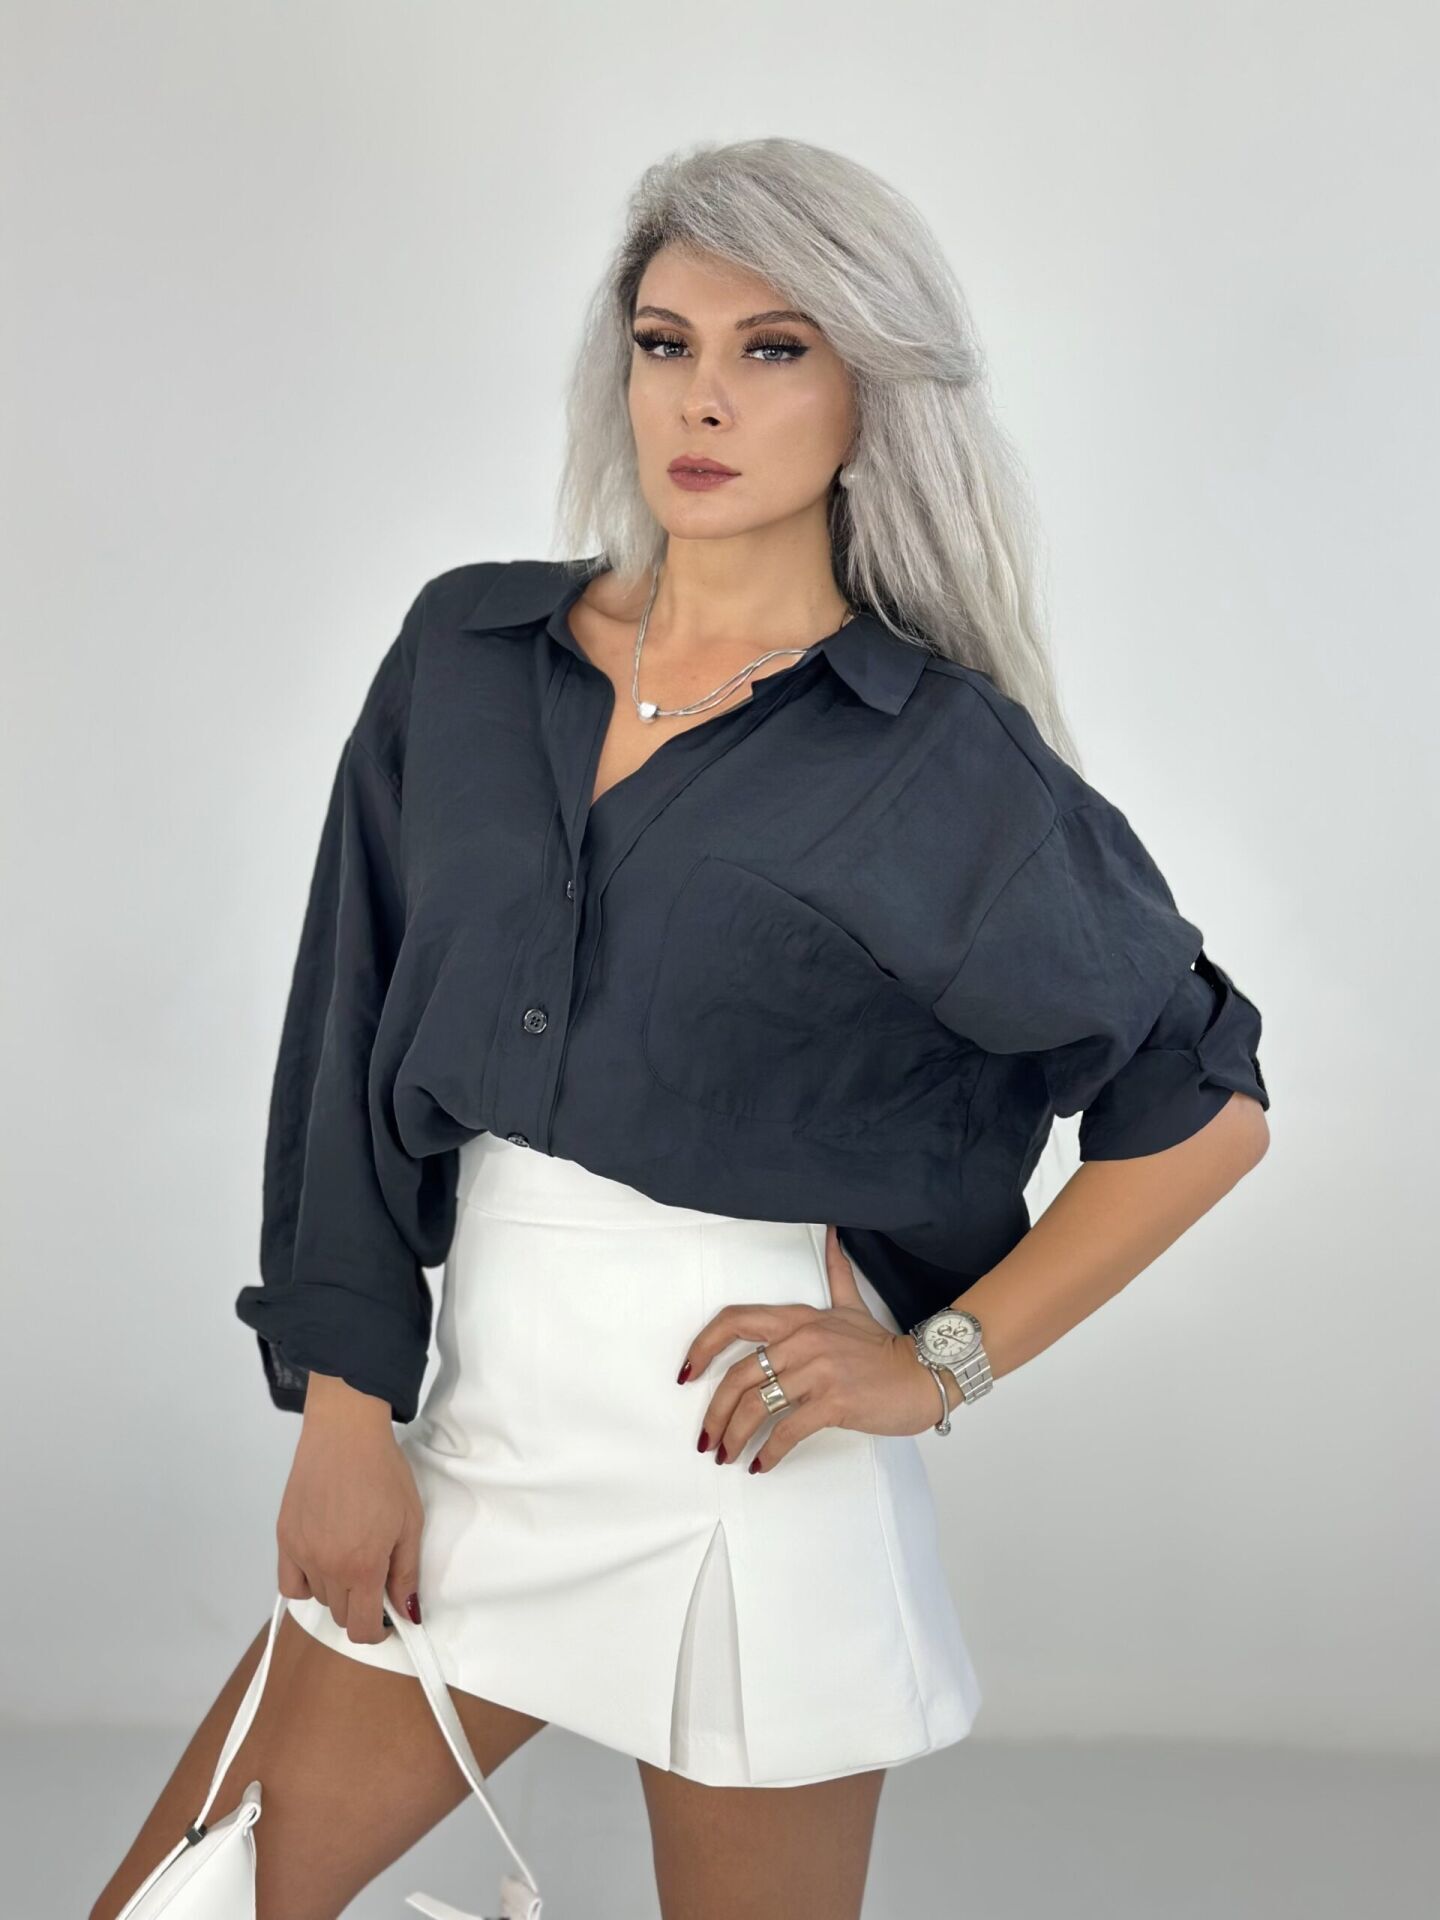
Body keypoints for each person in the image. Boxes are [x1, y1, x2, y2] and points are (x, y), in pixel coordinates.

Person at [92, 135, 1271, 1920]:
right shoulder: (465, 657)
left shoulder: (935, 757)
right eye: (666, 344)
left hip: (751, 1465)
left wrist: (938, 1364)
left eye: (772, 349)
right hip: (472, 1435)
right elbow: (344, 1038)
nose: (701, 398)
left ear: (869, 401)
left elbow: (1205, 1101)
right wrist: (344, 1407)